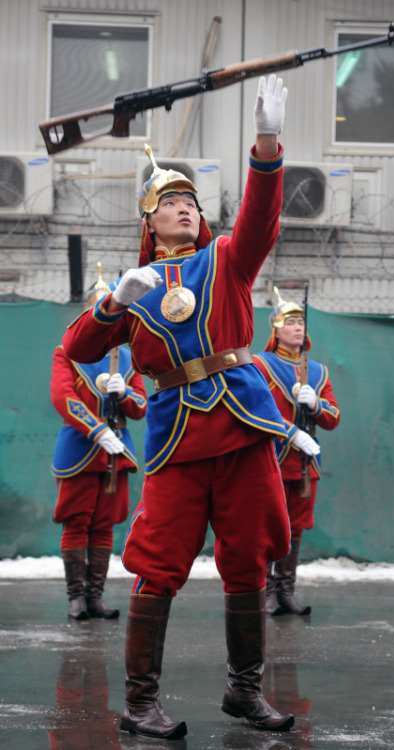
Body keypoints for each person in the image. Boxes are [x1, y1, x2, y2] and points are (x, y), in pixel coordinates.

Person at [62, 75, 297, 739]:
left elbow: (260, 216)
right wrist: (114, 302)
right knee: (157, 562)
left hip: (243, 424)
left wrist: (267, 142)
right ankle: (140, 703)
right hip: (174, 438)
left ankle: (243, 692)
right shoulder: (133, 286)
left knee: (249, 558)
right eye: (171, 202)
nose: (186, 208)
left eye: (191, 200)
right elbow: (77, 346)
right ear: (148, 221)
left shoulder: (224, 260)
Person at [50, 266, 147, 621]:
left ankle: (96, 597)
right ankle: (76, 597)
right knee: (77, 521)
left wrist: (124, 395)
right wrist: (97, 431)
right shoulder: (68, 353)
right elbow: (63, 398)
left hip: (116, 454)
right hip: (80, 449)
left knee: (105, 524)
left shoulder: (129, 360)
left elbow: (139, 407)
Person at [254, 290, 340, 616]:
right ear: (275, 329)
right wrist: (290, 431)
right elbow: (254, 410)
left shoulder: (318, 372)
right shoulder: (261, 365)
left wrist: (316, 404)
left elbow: (332, 417)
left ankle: (285, 590)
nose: (298, 327)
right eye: (290, 322)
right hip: (270, 459)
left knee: (296, 526)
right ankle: (263, 592)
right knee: (267, 525)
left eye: (301, 321)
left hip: (304, 464)